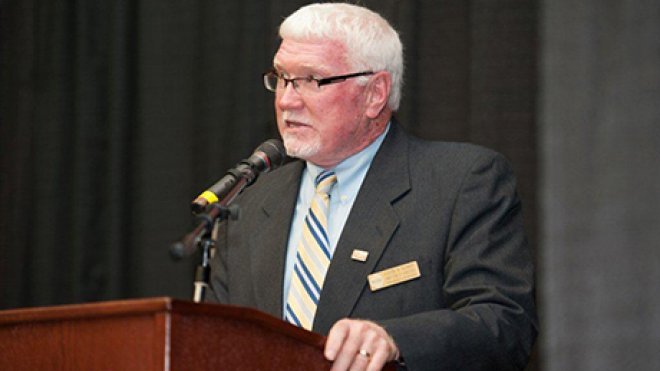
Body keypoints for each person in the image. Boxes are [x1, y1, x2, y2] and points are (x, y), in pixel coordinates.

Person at [207, 3, 537, 370]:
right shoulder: (249, 205)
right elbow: (214, 341)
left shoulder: (461, 183)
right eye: (282, 78)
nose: (286, 100)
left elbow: (504, 324)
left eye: (312, 80)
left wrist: (395, 340)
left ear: (375, 93)